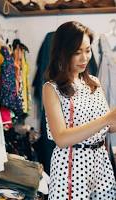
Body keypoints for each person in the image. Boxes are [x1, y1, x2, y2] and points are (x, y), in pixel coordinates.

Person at [42, 21, 116, 199]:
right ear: (62, 53)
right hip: (72, 166)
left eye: (88, 50)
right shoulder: (51, 88)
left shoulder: (93, 82)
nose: (84, 58)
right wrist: (107, 119)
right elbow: (61, 138)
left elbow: (109, 127)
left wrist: (112, 120)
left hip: (101, 162)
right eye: (77, 52)